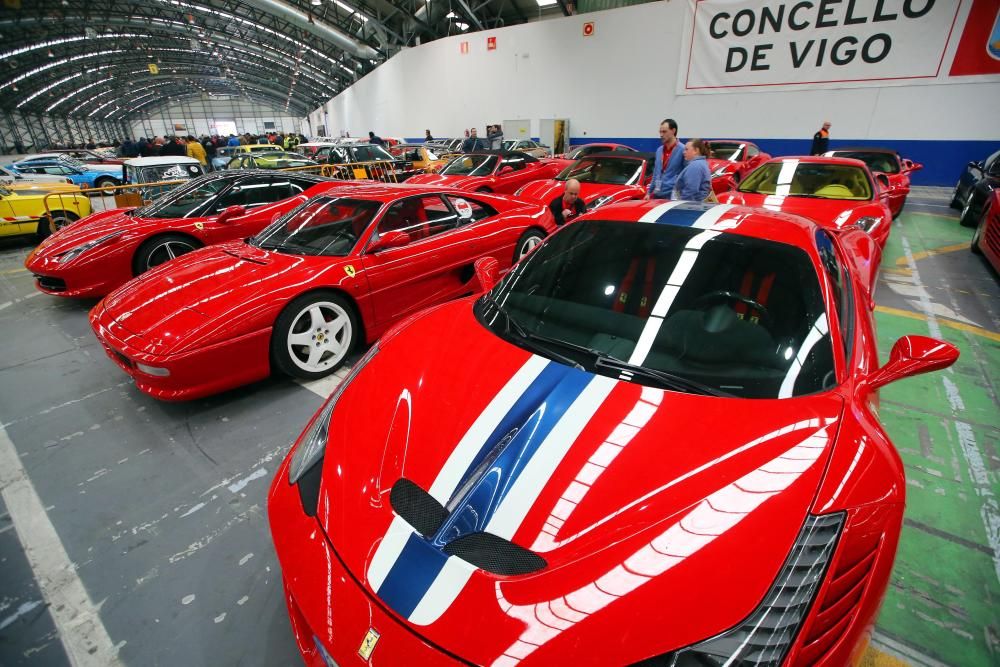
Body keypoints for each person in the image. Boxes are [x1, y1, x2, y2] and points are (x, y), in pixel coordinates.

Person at [645, 118, 684, 200]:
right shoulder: (659, 150)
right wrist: (649, 192)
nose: (661, 135)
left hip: (672, 196)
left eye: (664, 132)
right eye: (660, 132)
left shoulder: (683, 150)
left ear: (673, 131)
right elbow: (656, 173)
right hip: (657, 194)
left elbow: (687, 174)